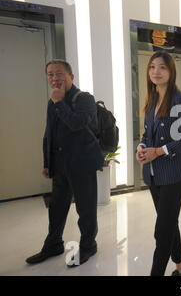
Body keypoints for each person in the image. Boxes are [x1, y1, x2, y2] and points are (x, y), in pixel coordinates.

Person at [26, 60, 104, 267]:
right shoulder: (52, 101)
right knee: (56, 208)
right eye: (50, 74)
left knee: (85, 209)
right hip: (60, 164)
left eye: (59, 73)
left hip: (82, 163)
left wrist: (60, 102)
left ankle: (88, 245)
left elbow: (78, 124)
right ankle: (53, 244)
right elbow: (49, 134)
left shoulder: (84, 98)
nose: (54, 78)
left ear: (71, 76)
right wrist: (47, 162)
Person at [136, 51, 181, 276]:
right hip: (152, 174)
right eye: (152, 67)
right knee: (168, 222)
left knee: (162, 230)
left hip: (173, 173)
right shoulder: (151, 99)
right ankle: (180, 266)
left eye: (162, 67)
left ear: (171, 71)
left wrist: (158, 151)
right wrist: (141, 147)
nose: (156, 72)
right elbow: (146, 134)